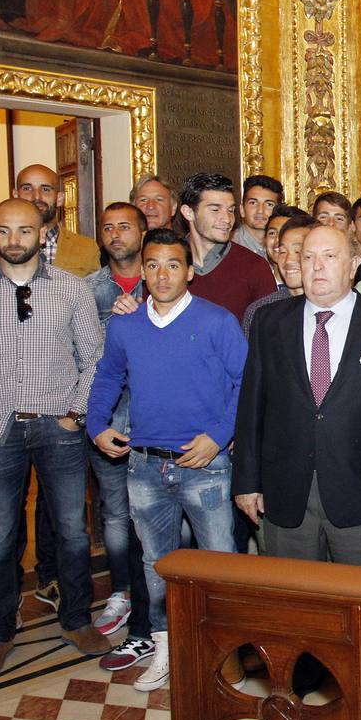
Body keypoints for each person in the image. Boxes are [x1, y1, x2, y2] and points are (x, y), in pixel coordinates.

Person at [0, 199, 109, 682]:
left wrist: (76, 414)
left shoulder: (71, 291)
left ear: (42, 233)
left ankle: (76, 619)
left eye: (25, 231)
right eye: (6, 231)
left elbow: (94, 359)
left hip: (58, 428)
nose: (15, 240)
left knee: (72, 531)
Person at [87, 228, 246, 692]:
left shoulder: (217, 322)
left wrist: (218, 437)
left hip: (205, 466)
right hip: (144, 466)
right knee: (157, 567)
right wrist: (97, 425)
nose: (162, 274)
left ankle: (227, 654)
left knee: (220, 563)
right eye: (153, 264)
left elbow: (247, 383)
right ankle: (165, 647)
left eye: (173, 264)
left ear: (189, 271)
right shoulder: (125, 325)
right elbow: (107, 378)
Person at [234, 225, 361, 567]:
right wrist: (246, 482)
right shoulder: (269, 322)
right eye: (308, 257)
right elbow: (251, 408)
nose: (317, 266)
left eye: (329, 256)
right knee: (297, 602)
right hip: (285, 493)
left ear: (353, 264)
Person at [83, 204, 152, 646]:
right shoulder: (86, 290)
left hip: (152, 416)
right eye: (107, 227)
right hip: (107, 416)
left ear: (144, 232)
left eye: (125, 226)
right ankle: (121, 591)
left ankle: (156, 599)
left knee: (151, 512)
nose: (115, 234)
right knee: (113, 513)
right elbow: (84, 354)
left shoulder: (165, 279)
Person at [176, 172, 277, 325]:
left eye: (230, 210)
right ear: (188, 212)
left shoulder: (254, 267)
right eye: (215, 209)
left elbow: (270, 333)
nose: (227, 219)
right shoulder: (168, 263)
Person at [0, 164, 99, 278]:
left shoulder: (86, 248)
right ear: (16, 195)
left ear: (59, 198)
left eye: (45, 189)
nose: (36, 197)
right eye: (27, 188)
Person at [242, 214, 318, 337]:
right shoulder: (260, 312)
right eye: (282, 252)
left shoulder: (332, 308)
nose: (288, 260)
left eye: (298, 251)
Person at [234, 174, 283, 259]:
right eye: (253, 203)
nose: (260, 210)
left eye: (269, 204)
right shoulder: (228, 248)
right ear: (242, 210)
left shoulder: (284, 247)